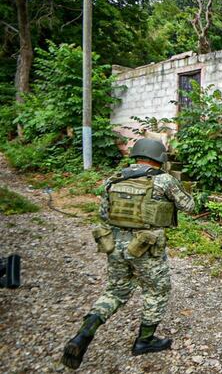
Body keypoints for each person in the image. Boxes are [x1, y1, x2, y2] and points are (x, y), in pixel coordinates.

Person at [61, 139, 195, 369]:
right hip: (146, 248)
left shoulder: (114, 180)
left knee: (115, 291)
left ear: (135, 156)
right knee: (157, 290)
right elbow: (189, 206)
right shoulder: (163, 180)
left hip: (115, 246)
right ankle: (144, 341)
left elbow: (104, 214)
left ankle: (82, 335)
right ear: (159, 157)